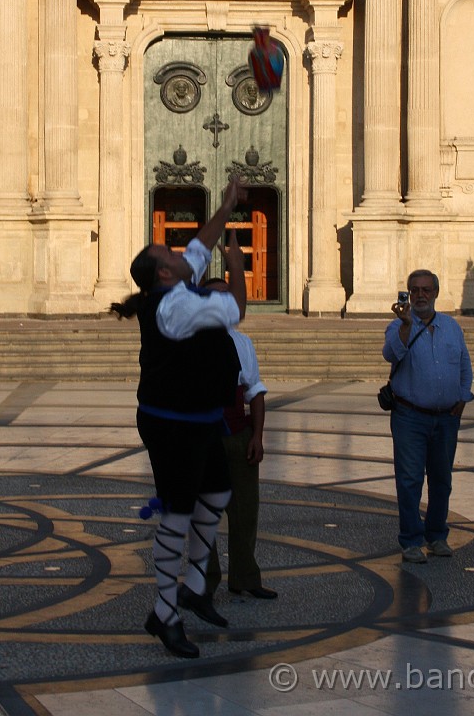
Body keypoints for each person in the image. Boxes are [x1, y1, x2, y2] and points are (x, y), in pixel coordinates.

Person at [112, 177, 247, 659]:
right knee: (177, 514)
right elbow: (237, 309)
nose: (179, 253)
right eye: (167, 254)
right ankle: (166, 612)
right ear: (163, 274)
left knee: (218, 492)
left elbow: (197, 245)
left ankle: (189, 585)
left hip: (198, 416)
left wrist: (228, 207)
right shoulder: (177, 308)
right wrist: (235, 266)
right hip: (172, 422)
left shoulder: (174, 283)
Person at [383, 269, 474, 563]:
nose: (420, 295)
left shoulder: (452, 327)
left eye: (426, 290)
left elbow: (464, 364)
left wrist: (463, 396)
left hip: (447, 417)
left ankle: (436, 536)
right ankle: (410, 540)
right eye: (415, 290)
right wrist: (406, 325)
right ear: (408, 294)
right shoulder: (398, 326)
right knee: (409, 480)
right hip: (410, 416)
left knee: (441, 480)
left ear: (435, 292)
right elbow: (391, 354)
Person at [203, 279, 277, 602]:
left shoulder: (242, 342)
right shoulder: (186, 340)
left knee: (246, 510)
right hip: (202, 438)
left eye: (226, 297)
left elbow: (255, 391)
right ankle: (203, 581)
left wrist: (257, 436)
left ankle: (245, 576)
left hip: (237, 432)